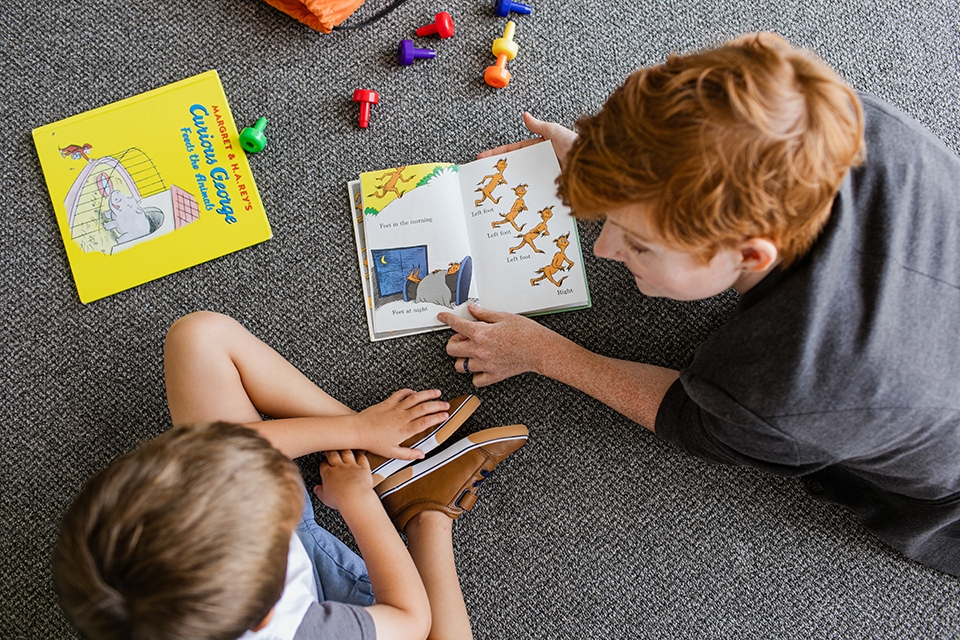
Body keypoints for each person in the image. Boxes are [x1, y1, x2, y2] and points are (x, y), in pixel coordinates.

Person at [438, 32, 960, 576]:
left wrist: (544, 352)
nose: (603, 249)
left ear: (751, 251)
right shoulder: (845, 118)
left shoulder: (773, 384)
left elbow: (687, 418)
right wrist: (612, 169)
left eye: (639, 242)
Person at [52, 311, 528, 640]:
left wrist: (356, 427)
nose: (285, 484)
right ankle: (424, 510)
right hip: (344, 606)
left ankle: (381, 455)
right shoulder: (298, 629)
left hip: (236, 578)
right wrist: (360, 503)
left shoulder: (160, 544)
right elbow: (409, 616)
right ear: (265, 616)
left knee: (199, 337)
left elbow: (222, 451)